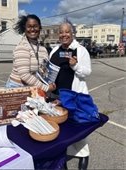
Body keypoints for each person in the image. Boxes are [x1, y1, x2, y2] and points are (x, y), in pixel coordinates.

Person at [49, 22, 92, 170]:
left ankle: (83, 159)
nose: (64, 35)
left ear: (72, 33)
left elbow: (87, 72)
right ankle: (63, 162)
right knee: (63, 134)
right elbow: (51, 71)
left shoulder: (80, 50)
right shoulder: (54, 50)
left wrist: (76, 66)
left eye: (67, 32)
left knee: (79, 132)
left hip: (75, 98)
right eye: (61, 32)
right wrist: (49, 82)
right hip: (58, 98)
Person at [5, 14, 56, 92]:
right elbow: (24, 75)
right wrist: (46, 88)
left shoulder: (43, 49)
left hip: (33, 86)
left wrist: (49, 80)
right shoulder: (22, 47)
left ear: (40, 28)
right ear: (25, 29)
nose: (32, 29)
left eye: (35, 26)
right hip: (17, 88)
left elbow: (44, 70)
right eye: (29, 26)